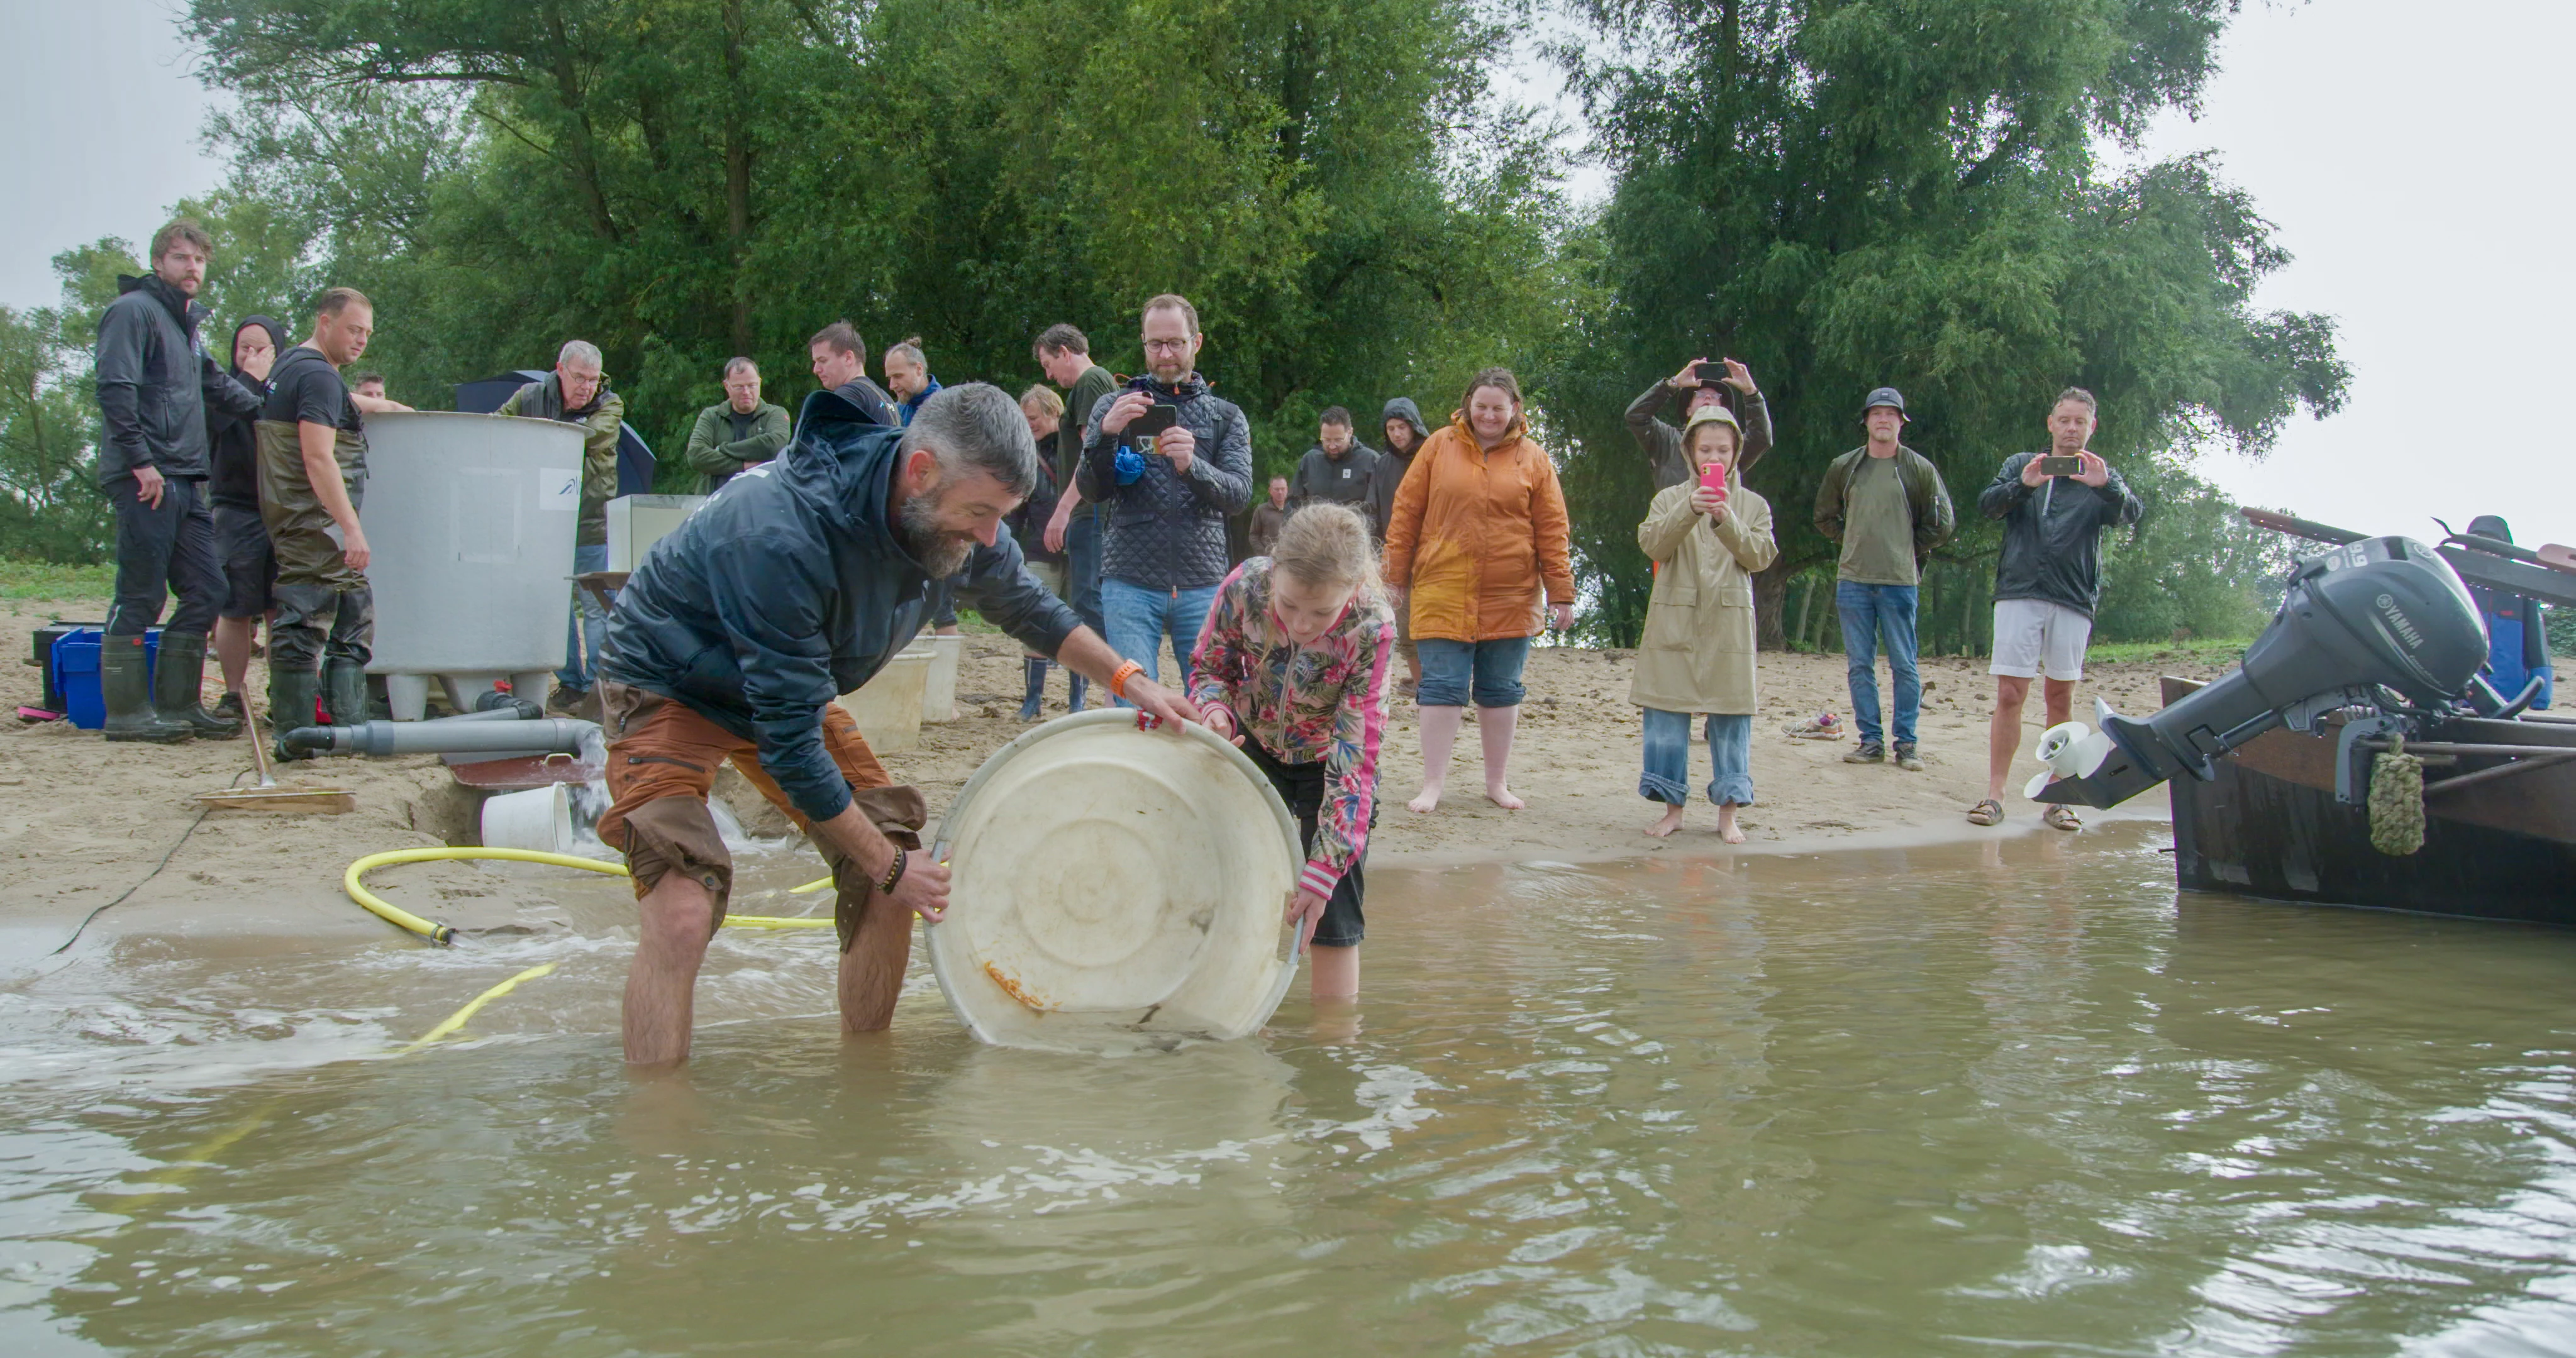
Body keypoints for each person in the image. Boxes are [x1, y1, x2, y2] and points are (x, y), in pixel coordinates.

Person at [593, 382, 1197, 1064]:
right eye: (978, 514)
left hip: (788, 688)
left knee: (894, 872)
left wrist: (1132, 681)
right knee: (682, 913)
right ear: (920, 472)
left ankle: (866, 1090)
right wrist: (886, 868)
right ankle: (658, 1141)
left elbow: (1032, 610)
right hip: (668, 684)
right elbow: (791, 749)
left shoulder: (960, 514)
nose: (988, 536)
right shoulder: (778, 533)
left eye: (1002, 516)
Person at [1190, 504, 1396, 999]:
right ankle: (1238, 1018)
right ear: (1274, 569)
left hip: (1329, 763)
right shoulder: (1245, 587)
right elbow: (1209, 669)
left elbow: (1355, 758)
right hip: (1252, 745)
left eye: (1322, 612)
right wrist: (1214, 710)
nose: (1303, 624)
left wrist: (1322, 871)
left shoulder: (1371, 627)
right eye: (1289, 606)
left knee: (1333, 906)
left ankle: (1332, 1051)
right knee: (1244, 888)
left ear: (1354, 586)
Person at [90, 219, 266, 742]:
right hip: (147, 474)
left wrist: (277, 406)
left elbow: (220, 388)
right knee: (141, 593)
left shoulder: (184, 325)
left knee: (209, 589)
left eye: (200, 260)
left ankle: (178, 704)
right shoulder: (132, 313)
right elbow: (115, 389)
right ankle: (125, 714)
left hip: (190, 478)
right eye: (182, 258)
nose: (193, 268)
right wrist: (141, 461)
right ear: (159, 262)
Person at [1382, 367, 1575, 813]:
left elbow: (1553, 530)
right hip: (1442, 588)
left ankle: (1497, 784)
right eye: (1482, 406)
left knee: (1501, 689)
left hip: (1512, 596)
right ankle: (1432, 785)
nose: (1489, 415)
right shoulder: (1436, 447)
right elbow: (1406, 514)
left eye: (1498, 408)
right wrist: (1393, 576)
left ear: (1515, 410)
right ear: (1468, 404)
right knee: (1441, 688)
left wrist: (1560, 592)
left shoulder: (1535, 459)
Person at [1969, 387, 2143, 830]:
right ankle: (1994, 795)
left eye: (2079, 422)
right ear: (2051, 423)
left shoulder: (2103, 474)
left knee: (2060, 697)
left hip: (2073, 597)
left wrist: (2107, 487)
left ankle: (2057, 796)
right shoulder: (2021, 464)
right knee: (2010, 693)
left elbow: (2131, 514)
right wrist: (2023, 485)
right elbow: (1987, 507)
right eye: (2064, 420)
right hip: (2019, 591)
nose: (2071, 429)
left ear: (2091, 428)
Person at [1075, 294, 1253, 699]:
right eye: (1155, 344)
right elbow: (1091, 489)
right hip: (1129, 579)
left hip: (1203, 580)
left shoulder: (1225, 416)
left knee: (1213, 704)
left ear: (1197, 342)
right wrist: (1104, 436)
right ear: (1143, 344)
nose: (1166, 354)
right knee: (1132, 704)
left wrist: (1193, 466)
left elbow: (1240, 496)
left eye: (1176, 342)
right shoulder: (1114, 405)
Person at [1631, 407, 1777, 842]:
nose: (1715, 456)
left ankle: (1728, 813)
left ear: (1736, 454)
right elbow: (1652, 543)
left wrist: (1725, 518)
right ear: (1690, 452)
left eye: (1724, 449)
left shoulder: (1753, 505)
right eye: (1706, 449)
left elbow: (1761, 557)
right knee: (1666, 715)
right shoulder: (1667, 499)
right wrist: (1689, 511)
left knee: (1731, 717)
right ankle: (1672, 810)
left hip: (1729, 625)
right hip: (1673, 620)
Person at [255, 287, 379, 754]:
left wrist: (383, 406)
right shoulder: (319, 378)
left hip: (292, 515)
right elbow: (318, 458)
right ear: (324, 322)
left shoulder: (289, 366)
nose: (361, 340)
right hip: (314, 521)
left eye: (367, 333)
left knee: (338, 610)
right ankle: (306, 735)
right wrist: (351, 527)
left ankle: (320, 732)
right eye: (353, 329)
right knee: (321, 619)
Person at [1813, 386, 1953, 771]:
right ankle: (1870, 741)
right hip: (1853, 580)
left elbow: (1942, 524)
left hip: (1900, 582)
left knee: (1905, 665)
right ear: (1866, 420)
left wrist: (1908, 547)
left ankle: (1906, 744)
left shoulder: (1918, 468)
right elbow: (1825, 516)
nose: (1883, 419)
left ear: (1901, 421)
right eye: (1877, 413)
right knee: (1860, 664)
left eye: (1891, 414)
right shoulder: (1845, 466)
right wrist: (1853, 538)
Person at [498, 341, 627, 712]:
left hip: (591, 520)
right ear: (559, 369)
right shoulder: (528, 396)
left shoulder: (610, 404)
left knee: (599, 605)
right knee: (555, 607)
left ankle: (597, 689)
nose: (587, 386)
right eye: (580, 378)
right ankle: (569, 683)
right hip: (541, 521)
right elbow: (500, 428)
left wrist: (539, 433)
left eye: (593, 379)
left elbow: (591, 437)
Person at [205, 314, 287, 723]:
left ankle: (282, 696)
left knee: (280, 610)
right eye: (245, 348)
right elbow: (213, 426)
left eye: (262, 349)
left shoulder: (289, 390)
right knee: (235, 608)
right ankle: (233, 696)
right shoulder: (221, 389)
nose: (253, 356)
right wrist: (250, 380)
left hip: (283, 512)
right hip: (235, 509)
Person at [1036, 325, 1117, 715]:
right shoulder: (1091, 384)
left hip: (1091, 509)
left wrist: (1063, 510)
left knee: (1089, 597)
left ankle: (1111, 689)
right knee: (1085, 597)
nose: (1049, 376)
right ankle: (1105, 690)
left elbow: (1093, 456)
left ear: (1065, 352)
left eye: (1049, 365)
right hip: (1089, 509)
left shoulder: (1089, 382)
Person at [1626, 355, 1774, 489]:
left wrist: (1751, 392)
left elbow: (1761, 438)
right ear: (1688, 410)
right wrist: (1673, 384)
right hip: (1674, 518)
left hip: (1720, 518)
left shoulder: (1732, 444)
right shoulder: (1666, 439)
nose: (1708, 398)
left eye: (1716, 396)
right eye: (1700, 395)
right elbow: (1636, 416)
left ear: (1723, 411)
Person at [1012, 384, 1070, 720]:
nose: (1028, 424)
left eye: (1033, 418)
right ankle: (1032, 700)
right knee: (1034, 623)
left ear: (1053, 413)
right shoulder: (1025, 454)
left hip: (1078, 552)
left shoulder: (1076, 450)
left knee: (1083, 622)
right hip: (1037, 548)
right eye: (1025, 419)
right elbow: (1017, 508)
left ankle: (1077, 702)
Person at [1367, 396, 1431, 693]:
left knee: (1439, 623)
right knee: (1405, 626)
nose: (1397, 434)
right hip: (1396, 555)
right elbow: (1374, 510)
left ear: (1414, 426)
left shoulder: (1435, 456)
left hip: (1434, 554)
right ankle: (1423, 687)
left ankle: (1443, 684)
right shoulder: (1383, 465)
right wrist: (1378, 554)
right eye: (1391, 428)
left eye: (1402, 427)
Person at [2462, 514, 2555, 711]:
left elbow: (2536, 645)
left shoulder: (2521, 591)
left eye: (2492, 546)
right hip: (2460, 694)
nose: (2485, 552)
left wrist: (2541, 697)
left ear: (2505, 549)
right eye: (2477, 544)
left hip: (2510, 697)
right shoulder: (2456, 586)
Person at [684, 357, 791, 494]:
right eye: (739, 387)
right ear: (727, 386)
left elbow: (774, 445)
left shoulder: (775, 414)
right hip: (715, 502)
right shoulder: (711, 416)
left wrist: (723, 449)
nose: (746, 392)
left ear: (759, 382)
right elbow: (696, 455)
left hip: (763, 500)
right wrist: (743, 465)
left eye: (751, 385)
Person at [1288, 407, 1378, 513]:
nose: (1332, 446)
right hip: (1315, 528)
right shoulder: (1310, 460)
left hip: (1354, 528)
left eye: (1338, 440)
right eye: (1326, 440)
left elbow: (1376, 509)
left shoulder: (1370, 461)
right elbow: (1293, 504)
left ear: (1350, 432)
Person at [808, 321, 897, 427]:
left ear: (848, 358)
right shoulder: (887, 399)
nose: (816, 370)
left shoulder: (848, 394)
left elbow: (836, 442)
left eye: (823, 361)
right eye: (815, 362)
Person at [883, 337, 941, 426]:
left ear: (919, 370)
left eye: (898, 376)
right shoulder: (895, 412)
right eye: (889, 378)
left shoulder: (945, 410)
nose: (892, 386)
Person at [1249, 476, 1290, 557]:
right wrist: (1265, 554)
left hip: (1290, 558)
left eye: (1283, 489)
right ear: (1270, 491)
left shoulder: (1294, 509)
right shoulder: (1261, 510)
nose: (1280, 492)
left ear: (1287, 490)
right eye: (1277, 489)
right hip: (1268, 559)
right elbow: (1254, 536)